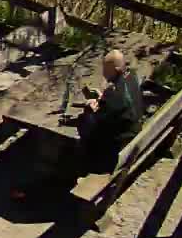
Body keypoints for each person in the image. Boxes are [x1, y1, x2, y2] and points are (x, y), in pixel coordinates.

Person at [13, 48, 145, 202]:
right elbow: (120, 107)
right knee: (66, 151)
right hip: (127, 142)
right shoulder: (132, 77)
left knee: (64, 152)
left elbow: (88, 131)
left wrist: (89, 112)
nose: (103, 73)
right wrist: (102, 99)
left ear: (116, 70)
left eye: (106, 70)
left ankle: (32, 193)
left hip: (109, 156)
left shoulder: (114, 97)